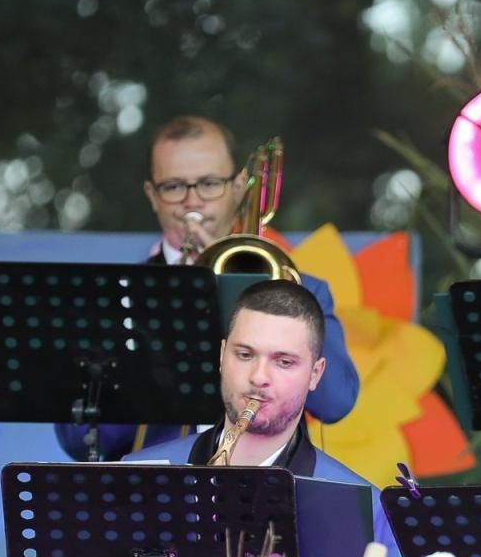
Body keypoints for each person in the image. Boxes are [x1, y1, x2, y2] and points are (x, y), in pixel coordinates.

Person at [81, 280, 398, 557]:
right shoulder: (140, 473)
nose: (258, 378)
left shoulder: (356, 507)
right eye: (244, 355)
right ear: (221, 355)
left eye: (284, 362)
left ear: (316, 374)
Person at [55, 115, 359, 461]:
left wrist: (263, 299)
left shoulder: (300, 288)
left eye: (210, 183)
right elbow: (78, 438)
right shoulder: (116, 298)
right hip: (153, 482)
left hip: (267, 485)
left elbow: (336, 402)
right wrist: (157, 352)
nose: (192, 201)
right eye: (174, 187)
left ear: (239, 185)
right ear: (152, 195)